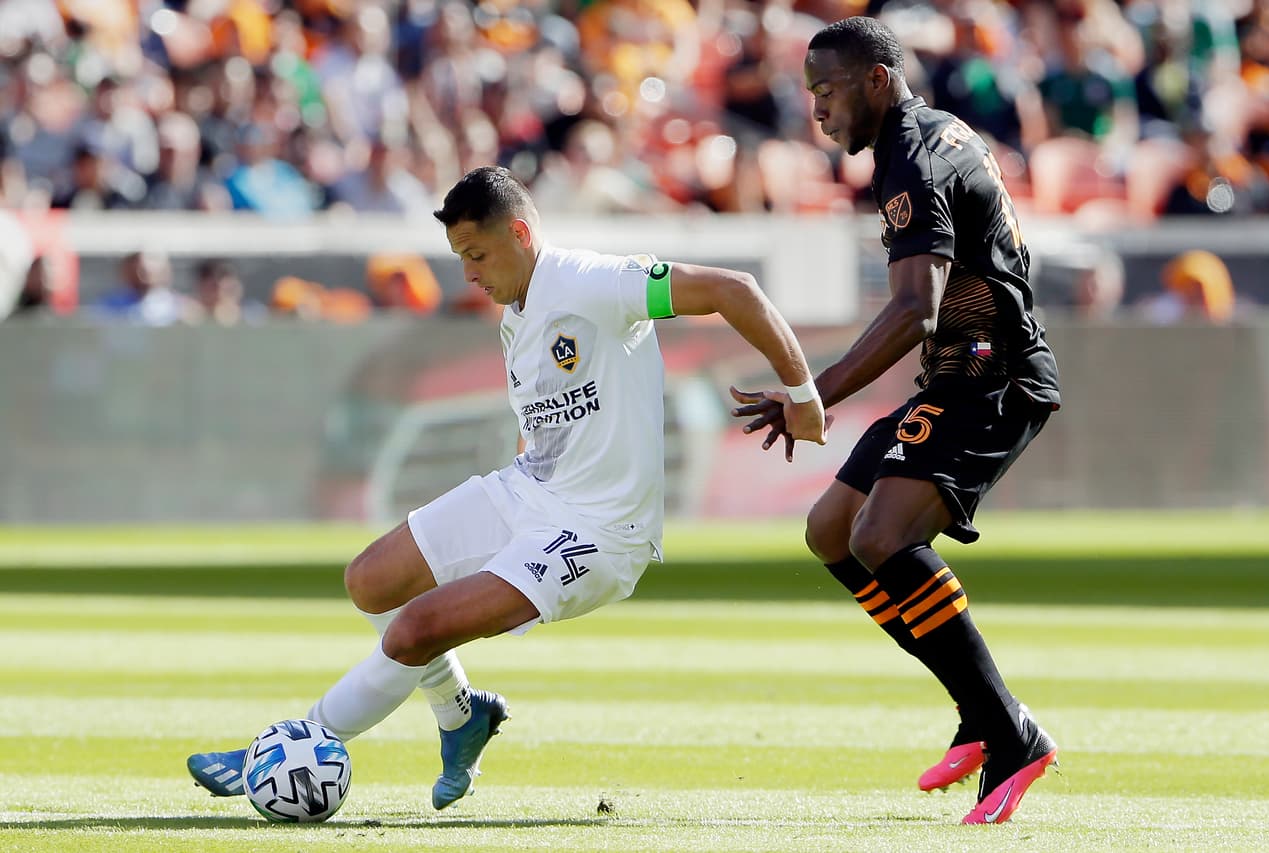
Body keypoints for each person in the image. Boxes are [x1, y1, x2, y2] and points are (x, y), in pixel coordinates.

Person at [187, 165, 829, 810]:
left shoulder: (594, 282)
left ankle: (280, 754)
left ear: (520, 234)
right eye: (460, 258)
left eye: (477, 255)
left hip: (599, 532)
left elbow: (732, 288)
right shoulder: (515, 314)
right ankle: (461, 716)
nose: (469, 274)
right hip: (528, 493)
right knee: (371, 582)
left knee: (415, 628)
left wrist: (803, 395)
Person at [732, 17, 1061, 825]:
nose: (817, 107)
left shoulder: (913, 155)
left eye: (828, 89)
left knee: (881, 536)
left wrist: (813, 394)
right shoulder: (924, 139)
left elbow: (918, 308)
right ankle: (981, 714)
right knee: (832, 531)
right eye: (810, 92)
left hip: (994, 375)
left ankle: (1011, 732)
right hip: (960, 369)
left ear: (877, 80)